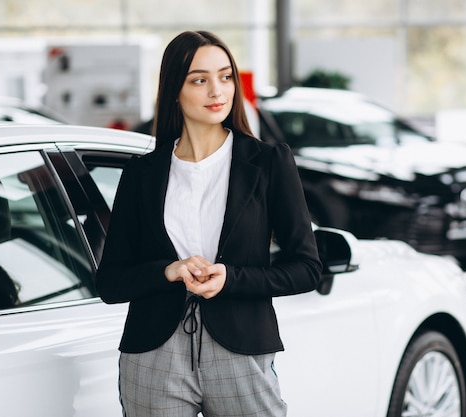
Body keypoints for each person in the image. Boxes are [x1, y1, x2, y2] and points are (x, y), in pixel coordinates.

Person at [95, 30, 322, 417]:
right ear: (175, 91)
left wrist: (231, 278)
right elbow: (111, 283)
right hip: (153, 355)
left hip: (240, 352)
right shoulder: (142, 174)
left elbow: (307, 269)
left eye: (225, 76)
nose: (217, 90)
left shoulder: (268, 163)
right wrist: (168, 271)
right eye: (200, 80)